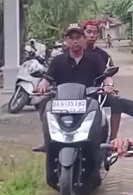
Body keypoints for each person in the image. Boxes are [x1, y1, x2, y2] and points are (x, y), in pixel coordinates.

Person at [34, 23, 115, 158]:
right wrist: (42, 86)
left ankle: (105, 145)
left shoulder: (95, 59)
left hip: (88, 102)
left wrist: (109, 85)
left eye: (78, 37)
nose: (75, 41)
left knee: (108, 111)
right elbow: (47, 79)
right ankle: (48, 139)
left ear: (83, 39)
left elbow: (106, 77)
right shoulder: (58, 60)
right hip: (62, 103)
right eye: (71, 38)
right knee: (43, 104)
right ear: (66, 40)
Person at [81, 20, 121, 140]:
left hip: (97, 93)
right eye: (89, 32)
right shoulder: (73, 52)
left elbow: (108, 75)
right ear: (82, 33)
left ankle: (113, 139)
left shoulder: (103, 55)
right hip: (74, 94)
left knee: (117, 101)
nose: (92, 35)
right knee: (45, 102)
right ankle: (49, 138)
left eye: (95, 33)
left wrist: (109, 86)